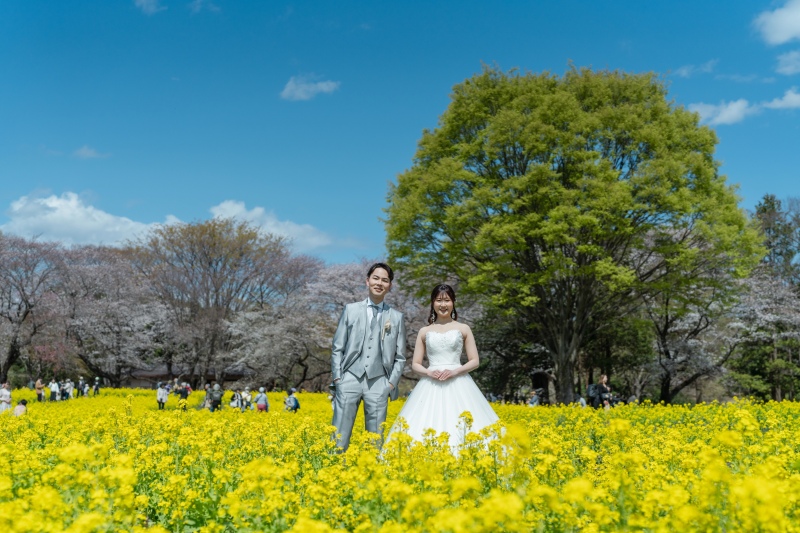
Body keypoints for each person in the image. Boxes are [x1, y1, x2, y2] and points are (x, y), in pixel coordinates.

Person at [385, 284, 499, 452]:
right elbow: (415, 364)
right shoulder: (424, 331)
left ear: (453, 302)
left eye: (447, 300)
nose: (443, 305)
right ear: (433, 303)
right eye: (439, 300)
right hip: (431, 382)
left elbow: (474, 361)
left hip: (459, 380)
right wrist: (429, 372)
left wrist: (455, 371)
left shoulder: (463, 328)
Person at [331, 263, 407, 451]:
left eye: (385, 280)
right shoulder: (351, 310)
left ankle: (371, 475)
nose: (379, 283)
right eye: (376, 278)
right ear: (367, 281)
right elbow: (337, 347)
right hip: (349, 377)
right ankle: (334, 468)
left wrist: (390, 384)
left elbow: (400, 356)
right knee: (338, 435)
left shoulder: (396, 317)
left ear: (390, 286)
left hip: (379, 381)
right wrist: (338, 377)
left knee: (375, 440)